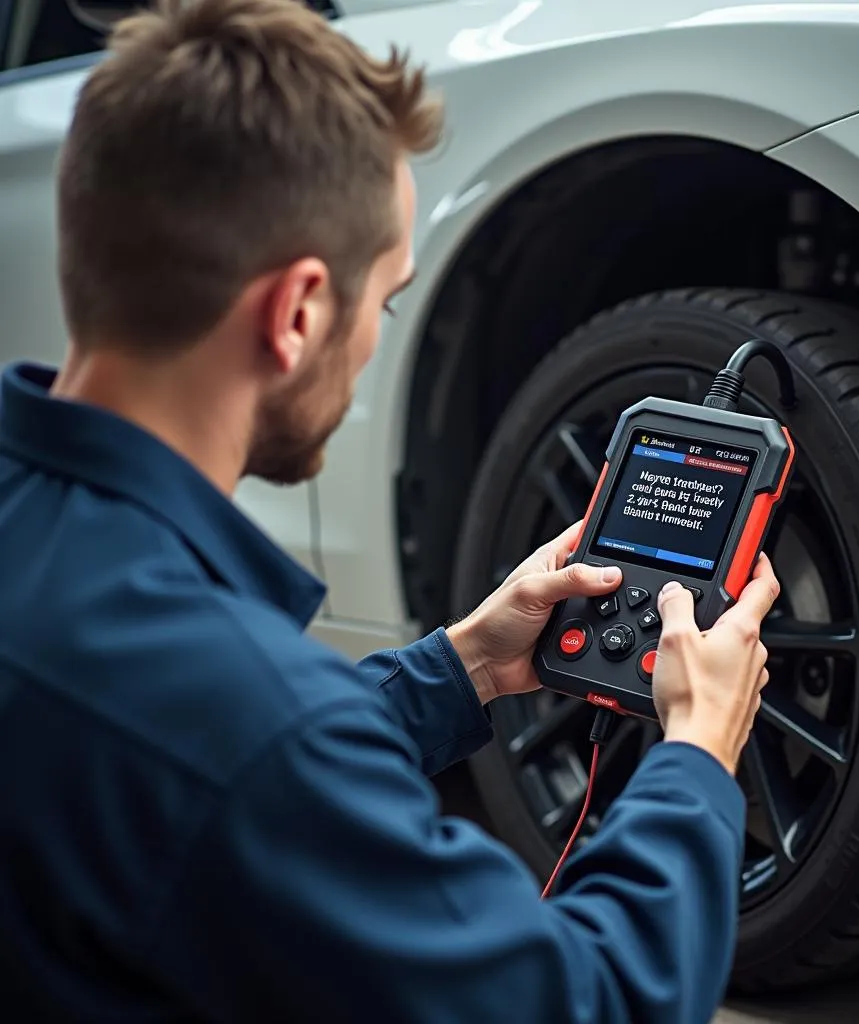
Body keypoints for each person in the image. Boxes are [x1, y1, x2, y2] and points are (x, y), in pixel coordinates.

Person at [0, 0, 779, 1020]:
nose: (376, 335)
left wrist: (456, 669)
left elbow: (177, 763)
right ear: (298, 312)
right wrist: (694, 757)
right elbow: (590, 1001)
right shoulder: (251, 725)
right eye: (387, 295)